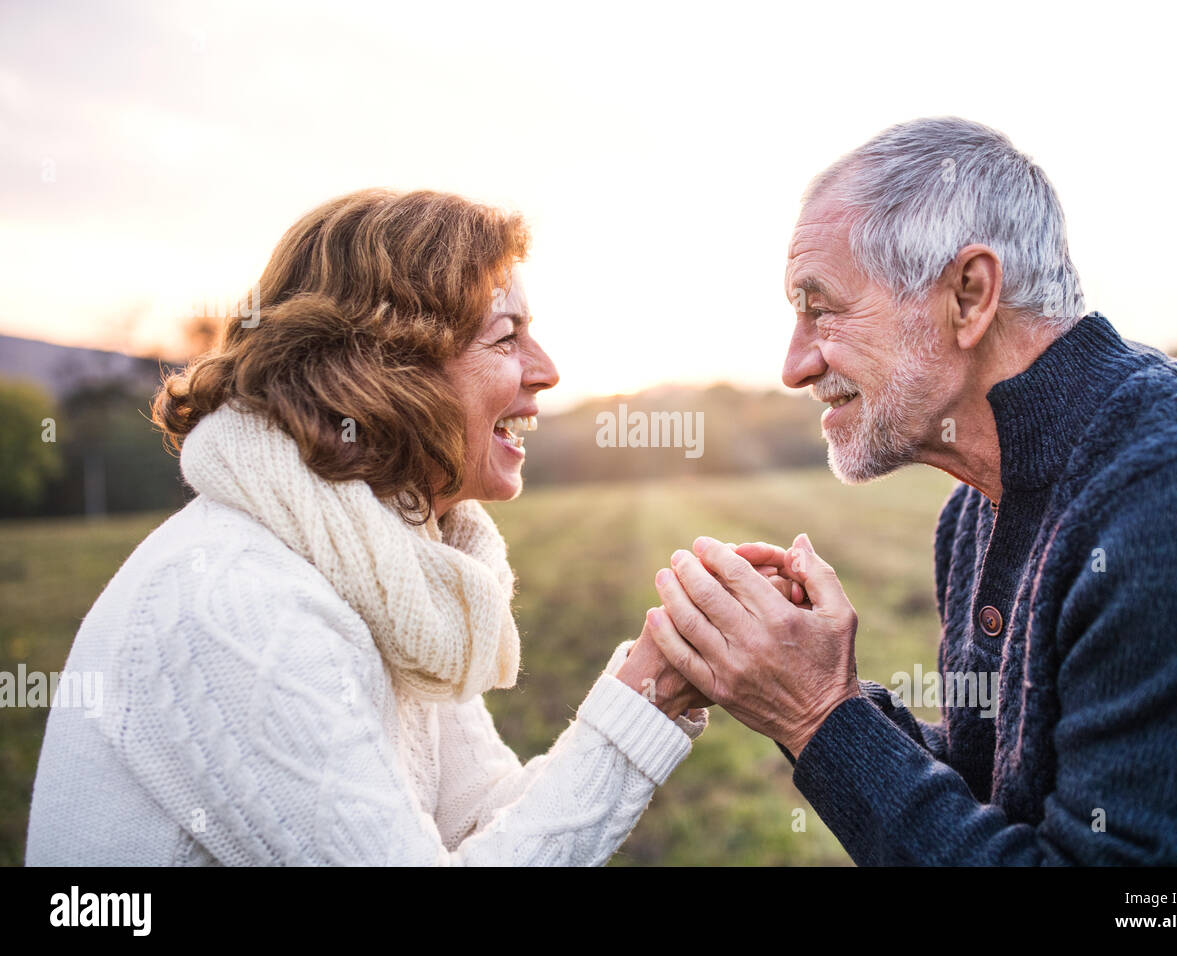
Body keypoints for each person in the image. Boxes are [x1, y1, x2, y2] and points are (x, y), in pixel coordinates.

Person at [650, 117, 1177, 864]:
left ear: (969, 295)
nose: (794, 366)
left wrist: (818, 717)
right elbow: (1004, 806)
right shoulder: (972, 511)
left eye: (820, 307)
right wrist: (826, 691)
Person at [26, 188, 709, 866]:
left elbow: (478, 822)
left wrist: (653, 686)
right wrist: (637, 711)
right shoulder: (240, 596)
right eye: (507, 337)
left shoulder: (387, 566)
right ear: (385, 374)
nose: (548, 370)